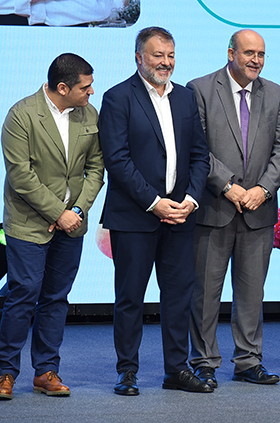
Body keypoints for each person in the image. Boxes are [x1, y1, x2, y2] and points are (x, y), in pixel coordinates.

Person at [98, 26, 212, 396]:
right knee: (130, 297)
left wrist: (191, 200)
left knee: (178, 296)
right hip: (135, 217)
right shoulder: (118, 98)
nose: (166, 63)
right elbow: (117, 160)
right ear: (139, 58)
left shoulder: (185, 98)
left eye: (171, 56)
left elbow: (199, 154)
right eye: (158, 56)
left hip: (181, 215)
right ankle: (127, 371)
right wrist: (154, 203)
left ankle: (176, 370)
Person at [0, 53, 104, 400]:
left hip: (72, 224)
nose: (91, 92)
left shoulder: (89, 114)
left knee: (56, 298)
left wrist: (78, 211)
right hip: (28, 224)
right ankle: (6, 373)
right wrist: (58, 212)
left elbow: (96, 168)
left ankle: (46, 372)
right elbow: (21, 176)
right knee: (23, 295)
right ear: (62, 87)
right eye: (85, 87)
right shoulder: (22, 115)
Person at [189, 29, 280, 387]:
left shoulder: (276, 93)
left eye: (261, 54)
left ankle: (248, 361)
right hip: (215, 208)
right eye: (249, 53)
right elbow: (198, 147)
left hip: (258, 210)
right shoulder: (200, 89)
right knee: (205, 292)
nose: (256, 60)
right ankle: (203, 360)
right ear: (230, 53)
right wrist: (230, 187)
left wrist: (262, 190)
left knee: (252, 293)